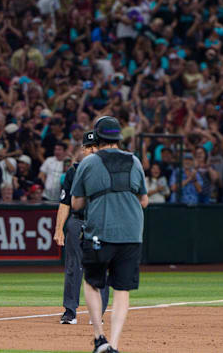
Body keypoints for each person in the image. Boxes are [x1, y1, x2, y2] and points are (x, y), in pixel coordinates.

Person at [71, 116, 148, 353]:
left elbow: (75, 203)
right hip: (132, 233)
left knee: (92, 283)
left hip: (100, 231)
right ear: (118, 138)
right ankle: (114, 344)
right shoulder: (134, 161)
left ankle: (99, 338)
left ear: (99, 137)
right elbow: (144, 200)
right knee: (122, 289)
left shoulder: (88, 163)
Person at [53, 130, 109, 325]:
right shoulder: (74, 172)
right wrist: (59, 229)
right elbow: (64, 203)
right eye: (89, 147)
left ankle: (98, 313)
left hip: (101, 222)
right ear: (83, 149)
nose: (92, 150)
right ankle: (70, 311)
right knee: (72, 267)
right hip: (77, 221)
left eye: (96, 146)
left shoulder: (108, 170)